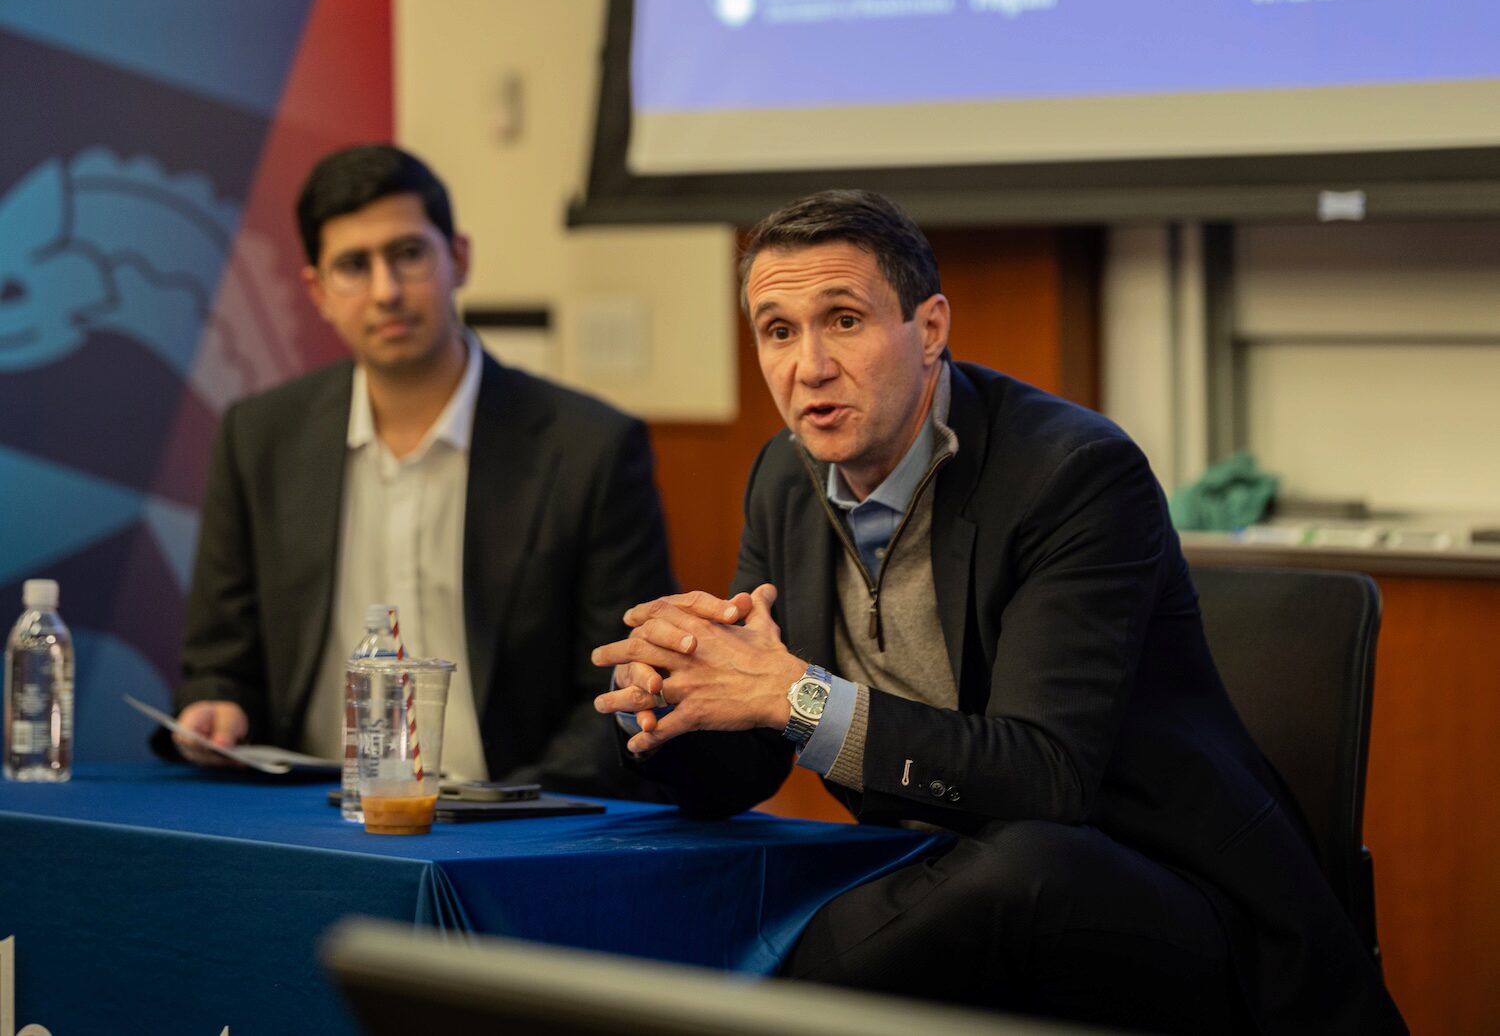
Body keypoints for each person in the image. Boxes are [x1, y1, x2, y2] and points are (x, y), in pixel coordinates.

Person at [593, 190, 1404, 1033]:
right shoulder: (785, 477)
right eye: (779, 330)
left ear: (931, 328)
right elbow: (758, 754)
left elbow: (1045, 778)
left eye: (843, 320)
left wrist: (793, 694)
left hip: (1164, 899)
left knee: (1021, 868)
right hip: (944, 879)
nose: (809, 367)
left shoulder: (1074, 474)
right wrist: (672, 705)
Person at [168, 144, 673, 795]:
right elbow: (219, 660)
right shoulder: (259, 437)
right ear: (318, 292)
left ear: (457, 258)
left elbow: (624, 689)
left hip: (518, 822)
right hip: (308, 822)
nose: (387, 290)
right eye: (354, 266)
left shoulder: (590, 450)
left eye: (408, 254)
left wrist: (506, 808)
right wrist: (219, 705)